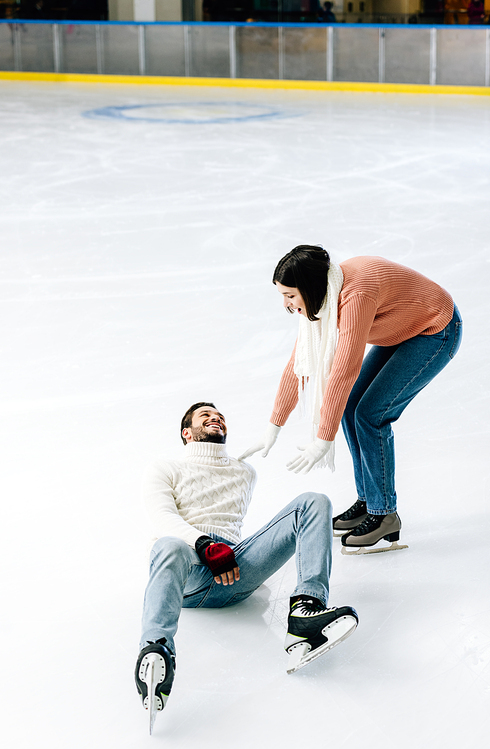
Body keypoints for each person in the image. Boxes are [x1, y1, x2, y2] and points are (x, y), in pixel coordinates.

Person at [135, 401, 358, 731]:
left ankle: (306, 613)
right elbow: (162, 518)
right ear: (187, 433)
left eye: (220, 417)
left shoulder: (243, 473)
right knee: (167, 545)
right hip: (186, 572)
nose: (216, 419)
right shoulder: (165, 468)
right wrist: (204, 545)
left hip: (233, 571)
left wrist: (222, 549)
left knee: (314, 502)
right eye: (205, 416)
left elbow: (224, 499)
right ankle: (156, 652)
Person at [240, 248, 462, 554]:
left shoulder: (355, 296)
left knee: (371, 414)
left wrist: (323, 440)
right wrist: (273, 427)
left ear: (310, 287)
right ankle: (369, 499)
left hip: (435, 330)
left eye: (290, 296)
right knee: (351, 407)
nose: (286, 305)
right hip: (402, 330)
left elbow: (344, 372)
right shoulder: (324, 298)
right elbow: (298, 365)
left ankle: (384, 514)